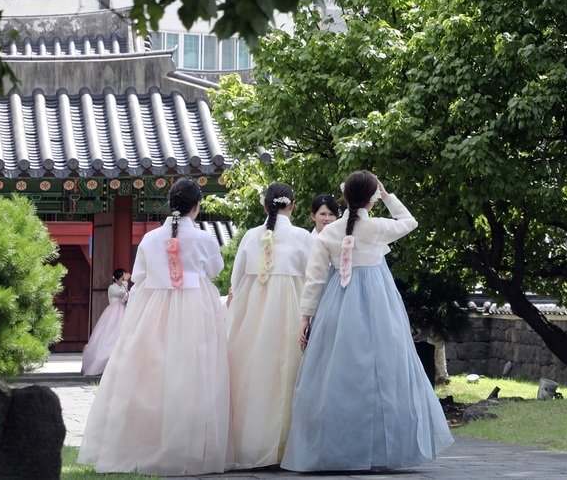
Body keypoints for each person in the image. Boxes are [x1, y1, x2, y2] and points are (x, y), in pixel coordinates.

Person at [282, 170, 453, 472]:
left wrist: (306, 317)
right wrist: (388, 196)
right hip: (379, 302)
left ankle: (336, 447)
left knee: (338, 372)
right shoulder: (376, 227)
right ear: (371, 199)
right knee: (384, 371)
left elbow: (315, 279)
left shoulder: (328, 232)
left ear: (344, 197)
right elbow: (410, 222)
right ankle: (382, 448)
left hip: (338, 301)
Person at [78, 178, 232, 475]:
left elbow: (141, 274)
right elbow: (214, 270)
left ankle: (146, 443)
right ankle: (189, 445)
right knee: (195, 374)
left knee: (150, 376)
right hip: (195, 310)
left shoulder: (150, 239)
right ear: (197, 206)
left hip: (154, 310)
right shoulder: (203, 239)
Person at [226, 182, 314, 469]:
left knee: (252, 371)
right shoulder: (302, 236)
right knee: (290, 371)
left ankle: (250, 444)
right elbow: (315, 277)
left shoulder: (251, 236)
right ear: (293, 205)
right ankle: (288, 446)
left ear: (265, 205)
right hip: (293, 306)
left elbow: (236, 279)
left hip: (253, 310)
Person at [80, 269, 130, 377]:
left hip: (122, 311)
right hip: (113, 313)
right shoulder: (112, 288)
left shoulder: (121, 286)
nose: (123, 280)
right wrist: (126, 283)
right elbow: (122, 294)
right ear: (116, 279)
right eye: (122, 278)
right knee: (109, 335)